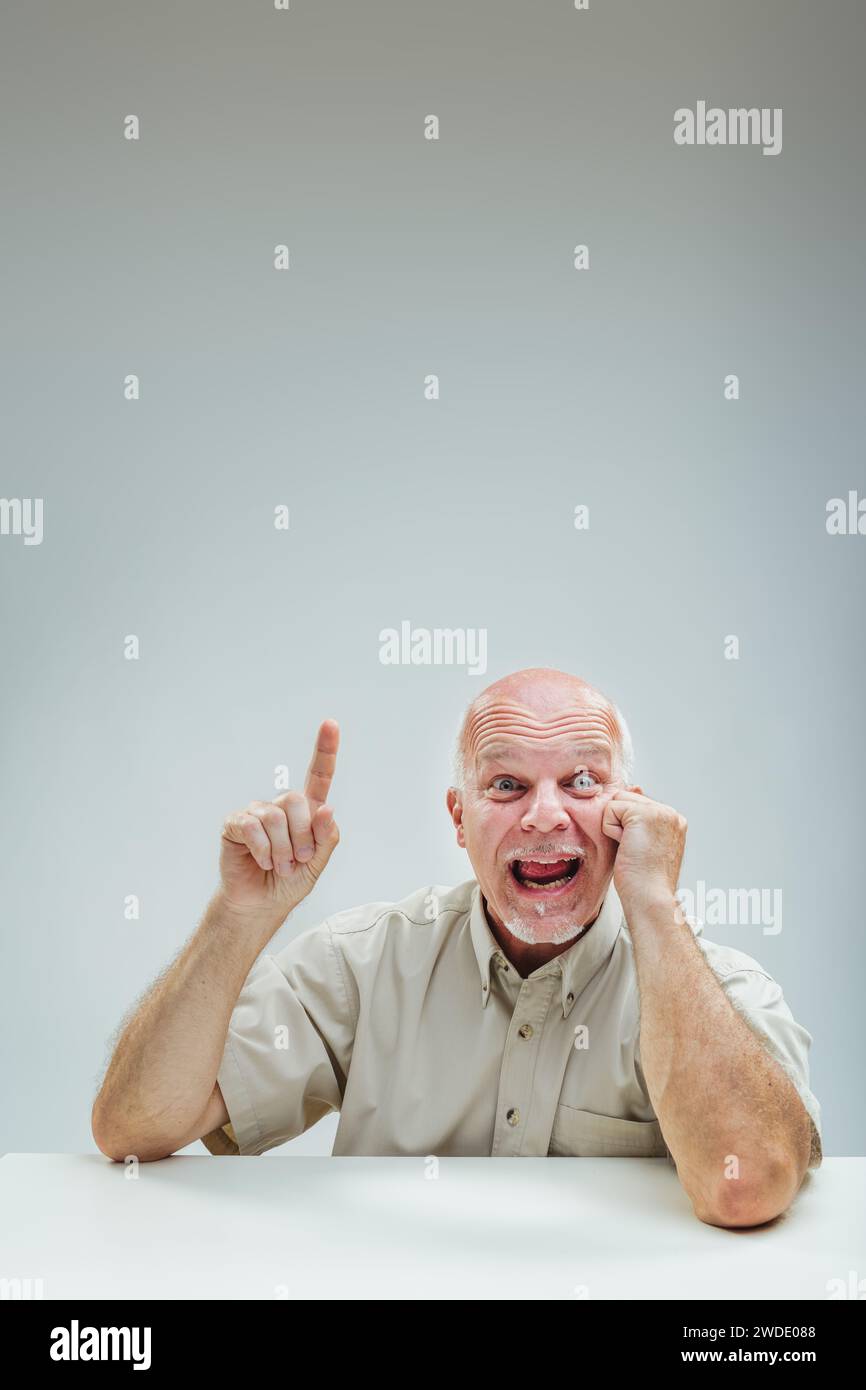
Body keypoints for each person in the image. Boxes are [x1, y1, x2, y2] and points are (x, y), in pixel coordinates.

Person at [91, 668, 822, 1228]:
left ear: (631, 814)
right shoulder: (365, 964)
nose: (544, 815)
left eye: (583, 782)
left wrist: (655, 905)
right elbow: (133, 1127)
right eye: (506, 784)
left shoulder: (717, 990)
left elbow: (745, 1186)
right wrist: (237, 917)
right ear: (458, 819)